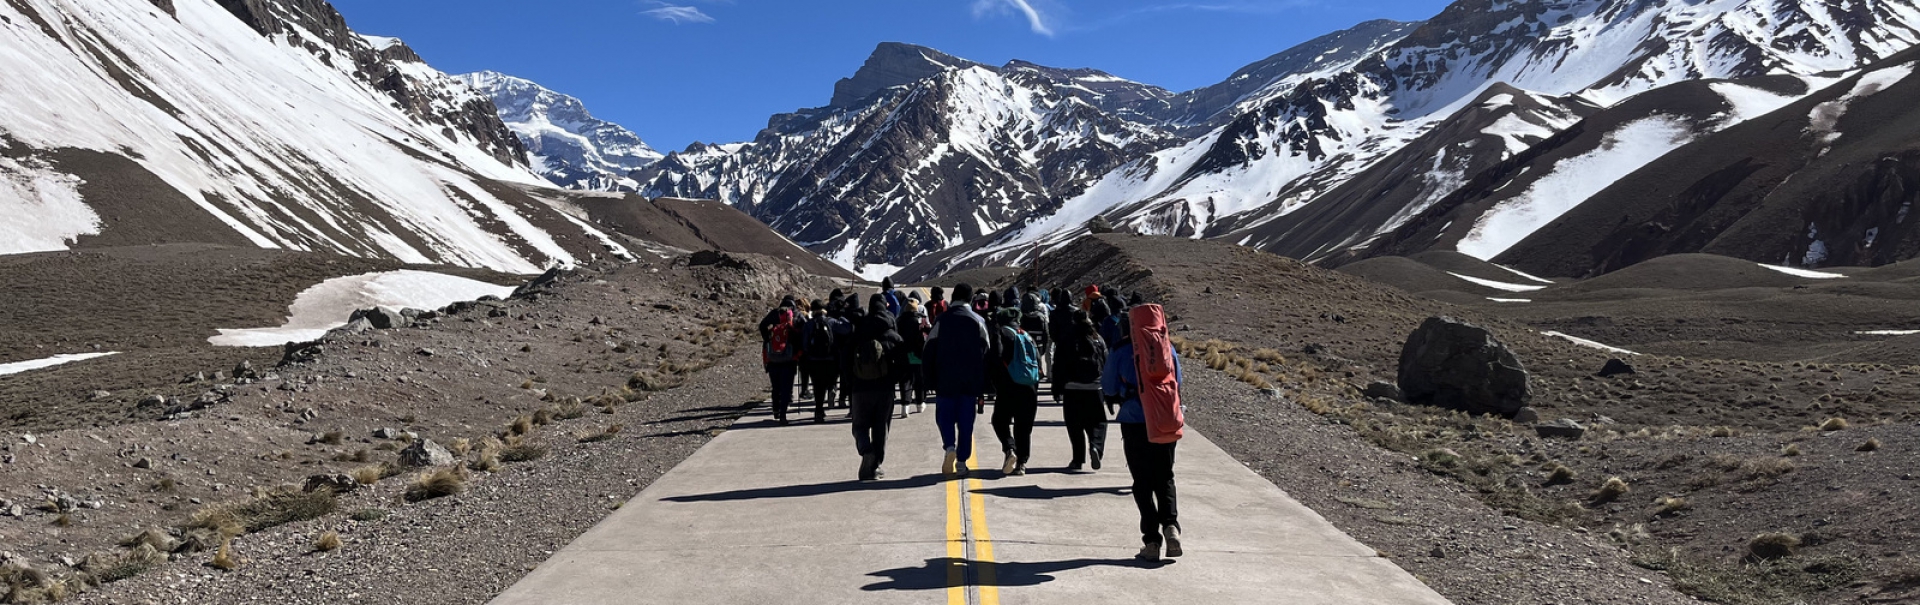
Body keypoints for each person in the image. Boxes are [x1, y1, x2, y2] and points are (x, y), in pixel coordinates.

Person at [1103, 311, 1185, 561]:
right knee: (1165, 476)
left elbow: (1108, 386)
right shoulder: (1166, 347)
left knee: (1142, 482)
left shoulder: (1120, 350)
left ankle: (1151, 541)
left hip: (1134, 421)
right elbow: (1178, 382)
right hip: (1164, 420)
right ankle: (1171, 526)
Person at [923, 283, 991, 478]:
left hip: (945, 379)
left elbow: (928, 350)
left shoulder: (941, 321)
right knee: (966, 422)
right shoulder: (978, 321)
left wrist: (928, 379)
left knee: (944, 417)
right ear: (970, 299)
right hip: (970, 381)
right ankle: (962, 461)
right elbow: (987, 351)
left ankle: (949, 447)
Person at [846, 294, 905, 481]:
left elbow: (845, 359)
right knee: (881, 427)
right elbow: (904, 364)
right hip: (884, 389)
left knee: (860, 426)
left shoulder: (858, 332)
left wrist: (850, 382)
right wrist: (893, 380)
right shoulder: (892, 334)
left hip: (860, 388)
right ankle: (876, 465)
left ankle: (866, 450)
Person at [989, 307, 1040, 476]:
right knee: (1023, 427)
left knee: (999, 420)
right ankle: (1022, 463)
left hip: (1008, 386)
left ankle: (1009, 448)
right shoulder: (1026, 335)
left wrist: (994, 383)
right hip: (1029, 387)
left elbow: (995, 357)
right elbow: (1037, 361)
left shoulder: (1001, 333)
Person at [1057, 309, 1108, 471]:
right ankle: (1095, 446)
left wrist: (1057, 388)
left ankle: (1077, 460)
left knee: (1075, 425)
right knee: (1098, 422)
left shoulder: (1067, 339)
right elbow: (1106, 362)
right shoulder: (1097, 339)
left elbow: (1058, 365)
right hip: (1095, 388)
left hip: (1072, 389)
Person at [759, 297, 802, 425]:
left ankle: (776, 409)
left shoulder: (773, 314)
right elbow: (799, 336)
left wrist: (768, 339)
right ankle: (783, 415)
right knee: (786, 387)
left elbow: (761, 326)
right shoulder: (795, 317)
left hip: (773, 358)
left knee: (776, 386)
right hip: (789, 359)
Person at [801, 300, 842, 423]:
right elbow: (846, 328)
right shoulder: (831, 321)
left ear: (812, 310)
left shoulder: (808, 324)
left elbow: (804, 344)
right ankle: (832, 388)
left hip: (814, 360)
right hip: (830, 359)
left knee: (818, 387)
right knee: (831, 379)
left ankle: (818, 411)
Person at [897, 297, 929, 416]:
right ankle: (920, 403)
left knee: (905, 380)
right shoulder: (920, 321)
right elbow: (927, 336)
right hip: (918, 354)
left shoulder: (899, 321)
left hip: (904, 354)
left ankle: (905, 405)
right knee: (919, 379)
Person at [1021, 292, 1051, 381]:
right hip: (1039, 344)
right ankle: (1038, 374)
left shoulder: (1022, 317)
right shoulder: (1041, 317)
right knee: (1037, 361)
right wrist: (1045, 346)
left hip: (1025, 344)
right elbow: (1046, 333)